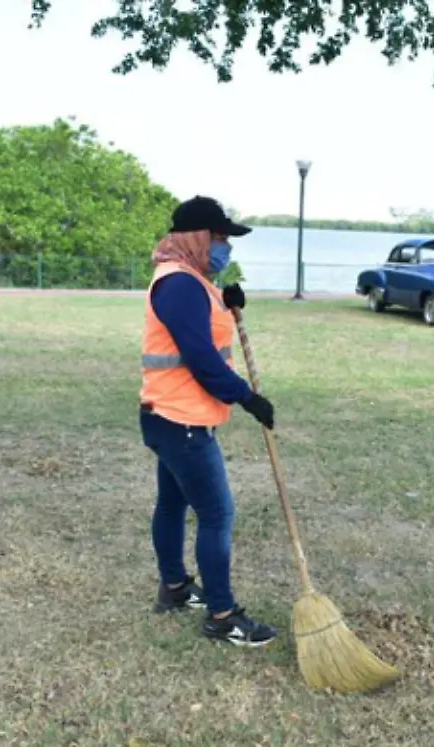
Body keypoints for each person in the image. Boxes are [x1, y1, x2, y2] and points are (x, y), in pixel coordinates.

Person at [139, 195, 279, 647]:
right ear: (197, 239)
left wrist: (227, 298)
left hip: (170, 416)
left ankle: (175, 588)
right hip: (181, 422)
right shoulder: (179, 284)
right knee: (217, 513)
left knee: (173, 504)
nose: (225, 249)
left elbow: (202, 324)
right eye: (220, 239)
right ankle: (221, 615)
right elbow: (200, 357)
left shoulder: (192, 280)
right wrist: (246, 396)